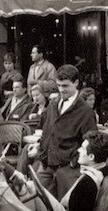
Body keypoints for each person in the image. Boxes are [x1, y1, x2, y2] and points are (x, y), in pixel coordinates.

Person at [0, 130, 108, 211]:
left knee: (27, 191)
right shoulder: (99, 172)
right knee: (30, 186)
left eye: (83, 149)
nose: (78, 150)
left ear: (91, 157)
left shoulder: (88, 183)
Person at [37, 65, 97, 199]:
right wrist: (42, 154)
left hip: (68, 170)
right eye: (58, 85)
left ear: (76, 83)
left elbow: (91, 143)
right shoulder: (53, 104)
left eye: (65, 86)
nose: (61, 90)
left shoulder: (86, 111)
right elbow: (47, 131)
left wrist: (73, 163)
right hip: (47, 166)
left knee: (66, 209)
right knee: (39, 203)